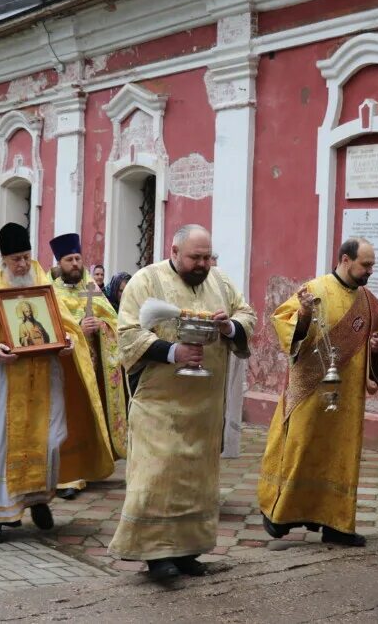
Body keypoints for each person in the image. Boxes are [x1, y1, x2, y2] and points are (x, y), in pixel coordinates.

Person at [0, 223, 114, 544]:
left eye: (25, 257)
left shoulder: (41, 283)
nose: (21, 264)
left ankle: (37, 502)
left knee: (49, 438)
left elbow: (66, 327)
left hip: (45, 378)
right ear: (3, 259)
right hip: (4, 381)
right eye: (14, 259)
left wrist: (66, 340)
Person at [108, 224, 256, 580]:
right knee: (158, 477)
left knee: (195, 481)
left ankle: (189, 551)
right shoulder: (145, 281)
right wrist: (173, 351)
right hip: (160, 403)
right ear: (174, 252)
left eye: (207, 257)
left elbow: (247, 316)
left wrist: (229, 328)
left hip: (205, 407)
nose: (203, 264)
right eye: (196, 257)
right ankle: (157, 556)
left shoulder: (219, 282)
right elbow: (127, 335)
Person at [258, 237, 378, 548]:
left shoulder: (371, 304)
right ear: (345, 259)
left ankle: (338, 524)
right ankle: (279, 515)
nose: (369, 271)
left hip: (348, 399)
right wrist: (302, 316)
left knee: (341, 456)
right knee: (301, 450)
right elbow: (284, 324)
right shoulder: (314, 290)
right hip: (310, 391)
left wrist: (377, 348)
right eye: (365, 265)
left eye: (371, 265)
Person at [49, 233, 130, 501]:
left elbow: (115, 321)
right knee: (67, 417)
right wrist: (78, 329)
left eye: (78, 258)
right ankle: (67, 475)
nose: (75, 264)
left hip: (94, 370)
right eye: (69, 259)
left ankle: (89, 466)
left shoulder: (93, 290)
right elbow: (46, 330)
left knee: (89, 416)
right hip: (66, 369)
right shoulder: (50, 292)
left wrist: (103, 328)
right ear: (59, 263)